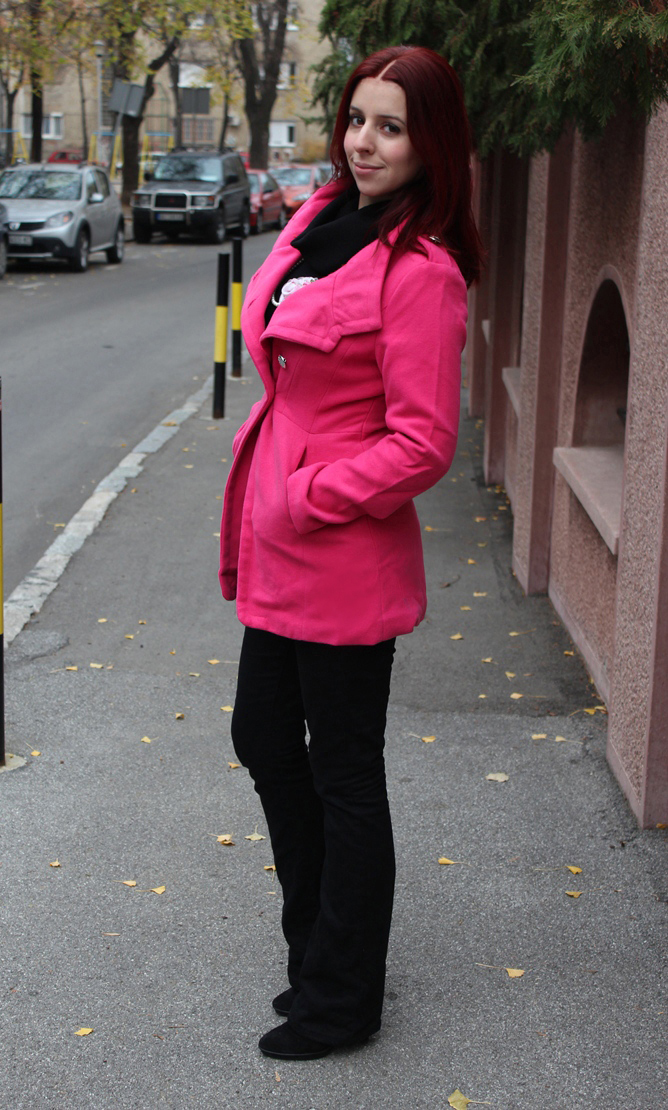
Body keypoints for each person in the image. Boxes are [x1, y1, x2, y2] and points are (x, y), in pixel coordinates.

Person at [219, 44, 483, 1061]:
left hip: (339, 553)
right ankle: (318, 952)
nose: (363, 142)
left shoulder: (423, 273)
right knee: (260, 736)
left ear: (431, 145)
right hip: (276, 542)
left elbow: (423, 442)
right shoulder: (320, 218)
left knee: (342, 770)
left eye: (391, 127)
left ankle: (342, 998)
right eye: (356, 118)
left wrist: (307, 496)